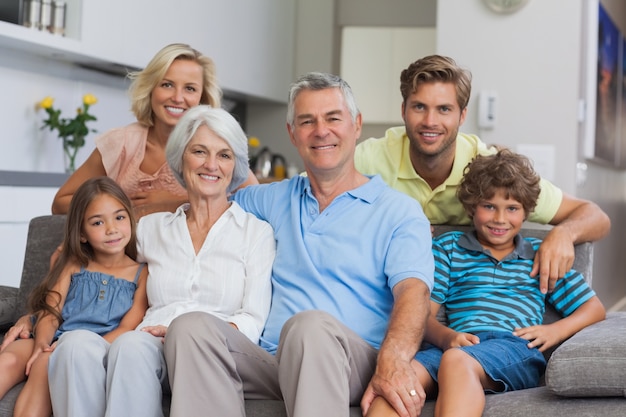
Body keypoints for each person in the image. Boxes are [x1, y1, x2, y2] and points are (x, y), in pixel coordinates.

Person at [163, 72, 434, 417]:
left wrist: (393, 362)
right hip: (272, 360)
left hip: (350, 362)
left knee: (309, 328)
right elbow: (204, 196)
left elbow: (414, 295)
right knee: (191, 327)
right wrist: (99, 231)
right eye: (307, 121)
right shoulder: (270, 199)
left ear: (357, 125)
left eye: (333, 118)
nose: (321, 131)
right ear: (293, 133)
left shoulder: (398, 211)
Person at [46, 105, 275, 417]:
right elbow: (98, 263)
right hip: (147, 344)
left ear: (235, 166)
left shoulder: (255, 233)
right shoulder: (150, 230)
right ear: (181, 158)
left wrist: (187, 331)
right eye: (199, 151)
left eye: (224, 155)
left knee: (130, 346)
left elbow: (253, 318)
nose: (211, 164)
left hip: (212, 351)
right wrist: (36, 314)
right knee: (75, 346)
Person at [365, 149, 606, 417]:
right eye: (489, 206)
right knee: (397, 380)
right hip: (456, 345)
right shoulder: (448, 248)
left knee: (457, 362)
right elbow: (421, 314)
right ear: (471, 207)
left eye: (512, 208)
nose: (500, 219)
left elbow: (594, 308)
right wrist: (447, 337)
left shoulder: (540, 255)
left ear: (526, 211)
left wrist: (555, 332)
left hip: (513, 350)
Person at [354, 55, 611, 294]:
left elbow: (596, 217)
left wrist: (564, 233)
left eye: (444, 109)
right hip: (379, 291)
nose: (430, 121)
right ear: (403, 110)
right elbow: (315, 203)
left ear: (462, 115)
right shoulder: (368, 159)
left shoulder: (490, 169)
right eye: (419, 107)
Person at [50, 42, 256, 219]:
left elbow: (257, 203)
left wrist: (177, 201)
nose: (177, 97)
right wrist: (121, 209)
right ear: (151, 89)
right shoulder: (121, 143)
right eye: (167, 85)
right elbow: (61, 203)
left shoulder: (218, 147)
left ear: (202, 98)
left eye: (190, 88)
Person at [0, 176, 148, 417]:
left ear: (130, 220)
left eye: (119, 218)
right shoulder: (74, 264)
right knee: (7, 361)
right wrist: (42, 345)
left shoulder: (141, 274)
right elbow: (51, 312)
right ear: (81, 234)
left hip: (90, 349)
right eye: (98, 223)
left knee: (43, 367)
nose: (111, 229)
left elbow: (127, 328)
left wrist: (57, 351)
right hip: (49, 337)